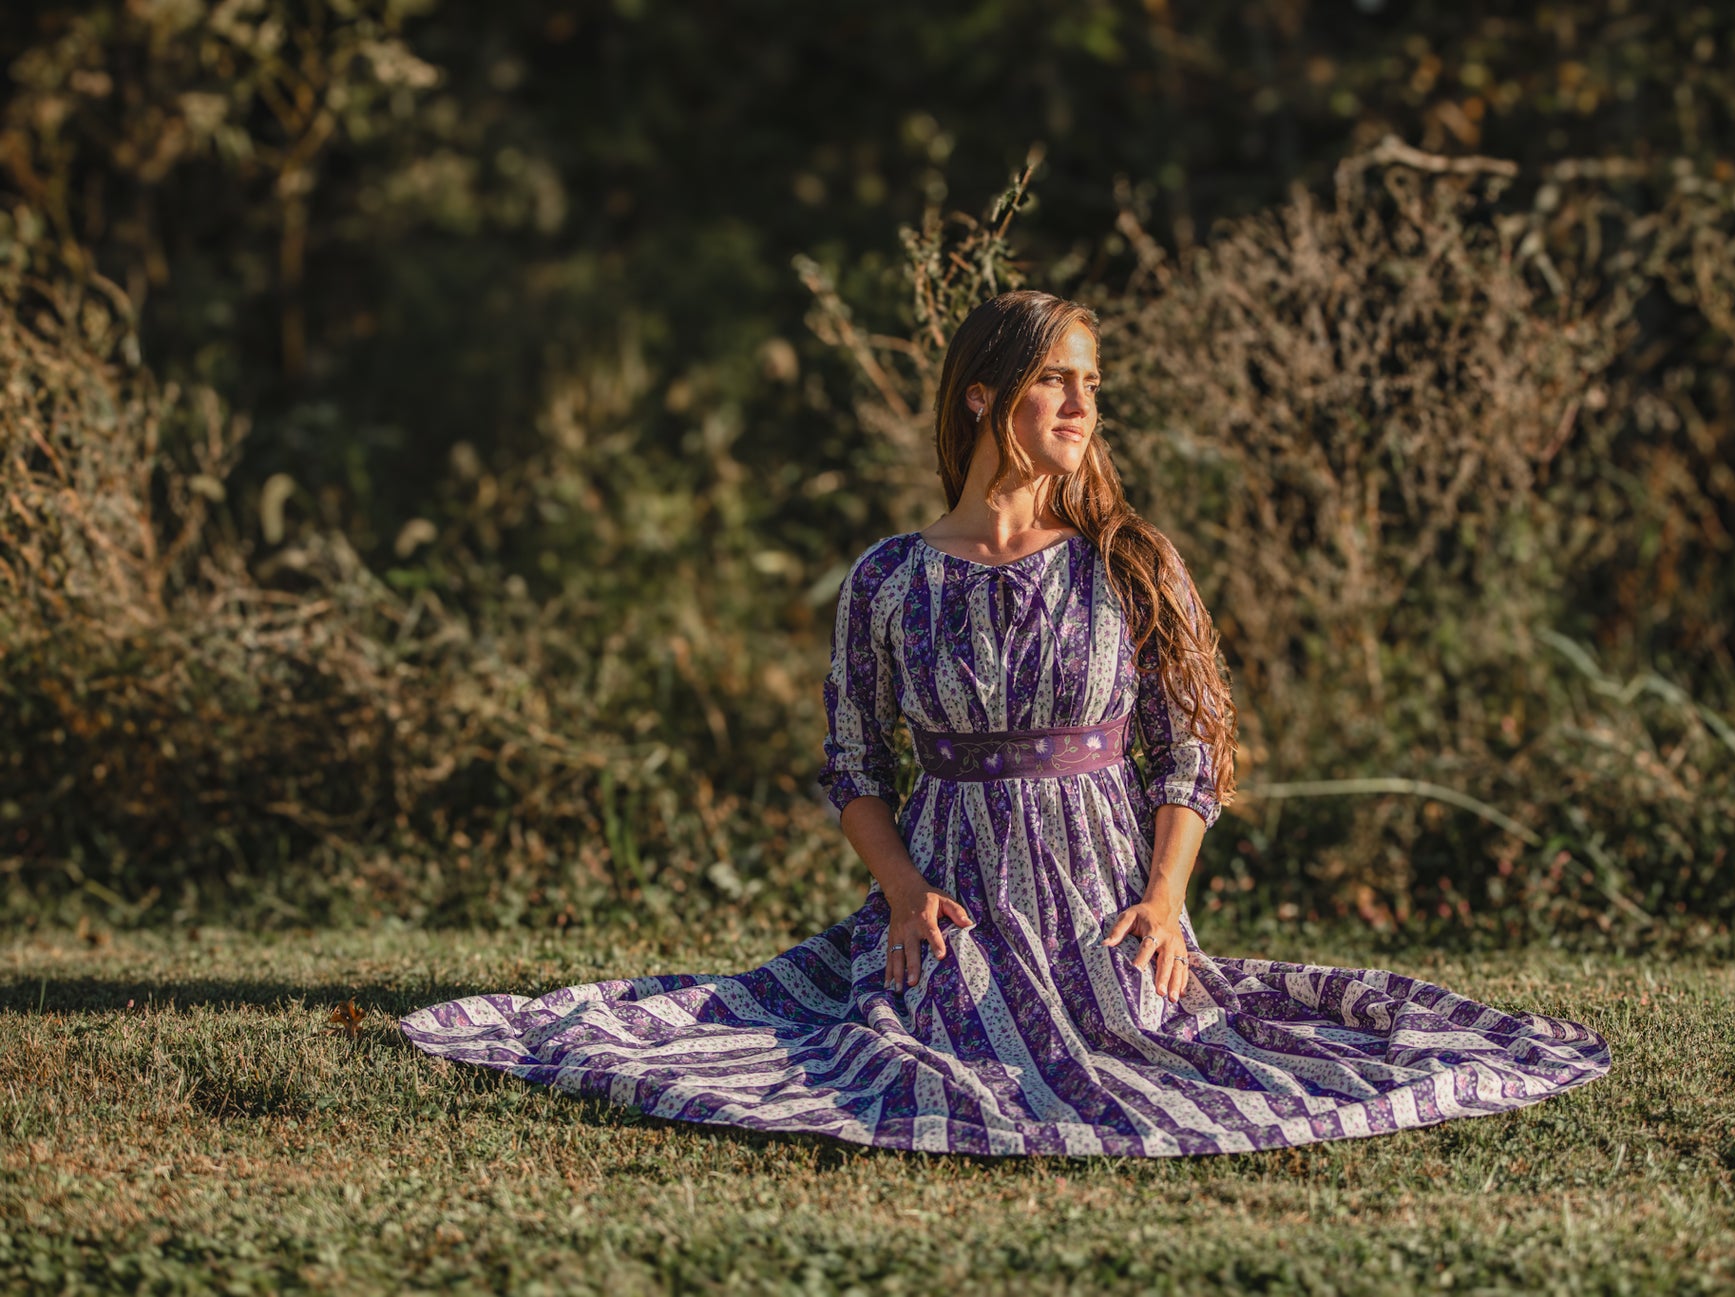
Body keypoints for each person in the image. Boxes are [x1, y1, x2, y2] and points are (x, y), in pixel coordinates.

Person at [401, 290, 1610, 1156]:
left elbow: (1195, 750)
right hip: (955, 887)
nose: (1081, 403)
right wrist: (900, 893)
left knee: (1150, 1043)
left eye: (1090, 383)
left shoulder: (1130, 561)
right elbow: (854, 762)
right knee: (881, 1038)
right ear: (984, 394)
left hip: (1100, 891)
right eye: (1054, 379)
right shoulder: (885, 577)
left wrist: (1167, 897)